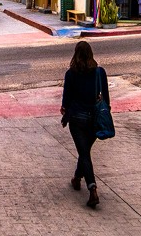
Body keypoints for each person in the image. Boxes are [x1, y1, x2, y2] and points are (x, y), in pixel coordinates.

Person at [60, 41, 109, 209]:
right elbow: (106, 98)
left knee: (84, 153)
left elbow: (66, 99)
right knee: (85, 152)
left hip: (77, 118)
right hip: (94, 119)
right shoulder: (99, 72)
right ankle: (76, 178)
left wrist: (65, 112)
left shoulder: (71, 74)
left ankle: (92, 188)